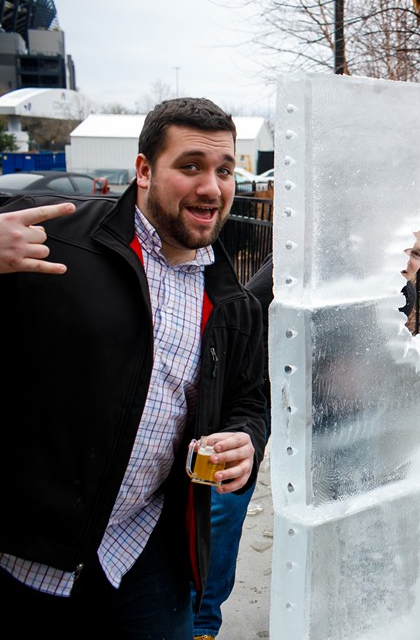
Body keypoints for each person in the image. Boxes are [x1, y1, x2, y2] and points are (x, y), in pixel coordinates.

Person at [0, 97, 268, 636]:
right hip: (20, 559)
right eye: (190, 166)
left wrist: (244, 438)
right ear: (143, 170)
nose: (212, 188)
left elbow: (248, 399)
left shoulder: (234, 301)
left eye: (225, 170)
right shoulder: (54, 239)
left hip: (145, 561)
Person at [192, 253, 273, 640]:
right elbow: (247, 308)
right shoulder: (311, 254)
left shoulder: (405, 276)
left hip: (331, 400)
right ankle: (202, 621)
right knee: (226, 499)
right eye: (409, 252)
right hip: (266, 384)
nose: (411, 261)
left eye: (418, 256)